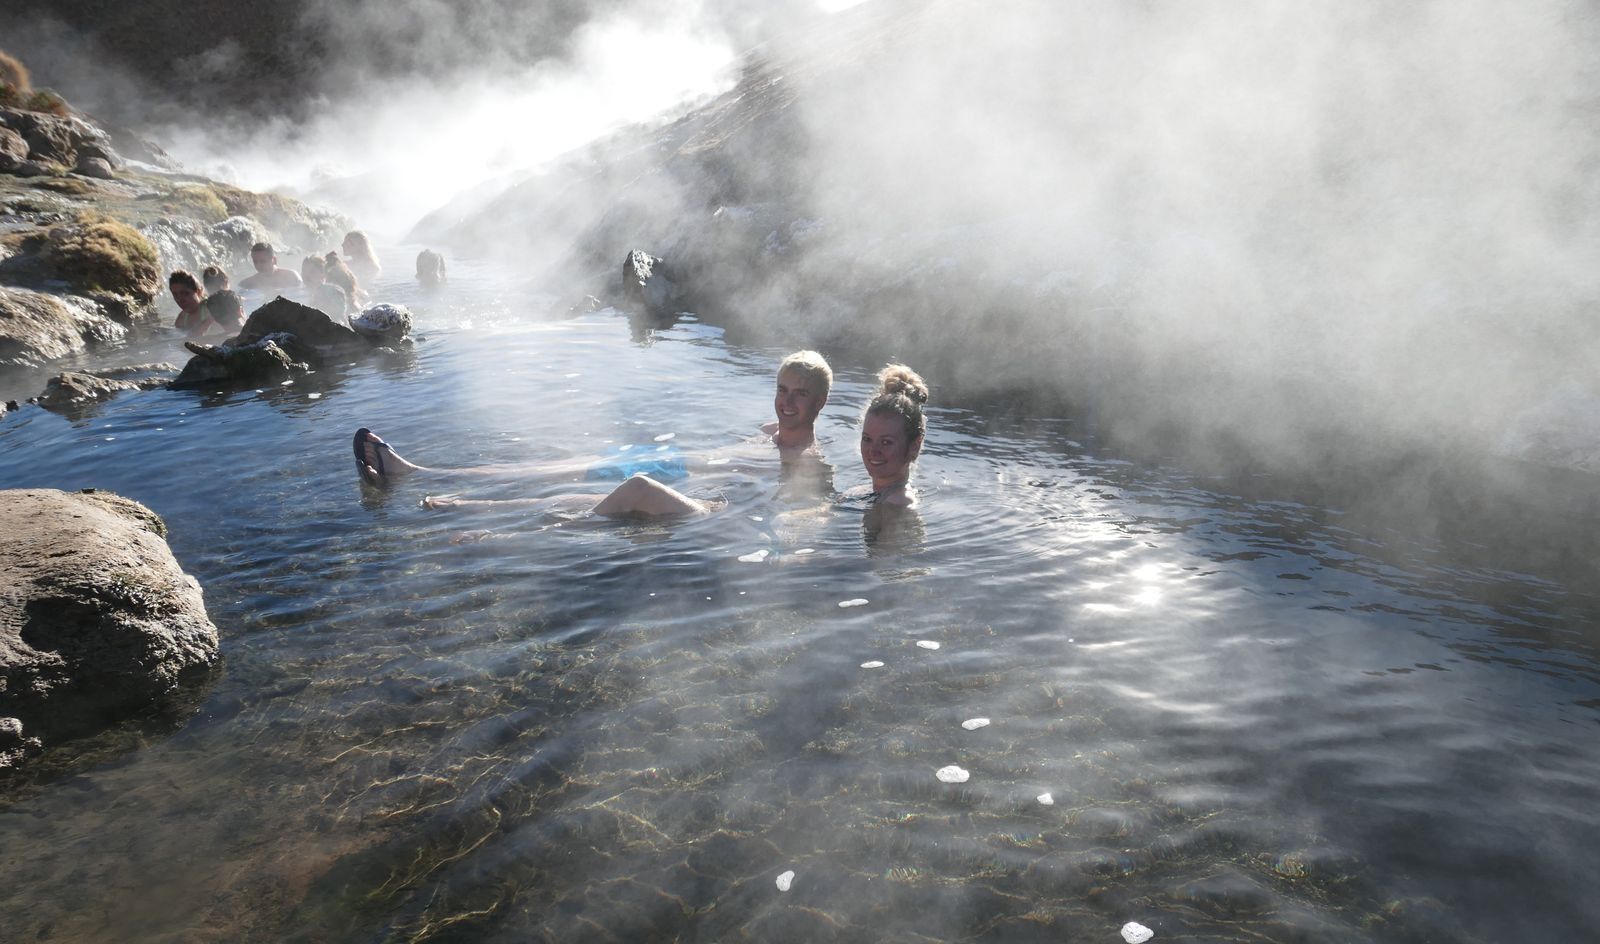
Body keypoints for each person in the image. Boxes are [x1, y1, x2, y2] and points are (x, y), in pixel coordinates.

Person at [851, 364, 928, 508]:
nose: (873, 451)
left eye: (886, 442)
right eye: (867, 439)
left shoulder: (900, 502)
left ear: (914, 446)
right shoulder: (862, 492)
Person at [238, 242, 302, 294]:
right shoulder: (247, 283)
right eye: (255, 261)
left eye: (263, 261)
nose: (258, 265)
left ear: (274, 260)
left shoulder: (291, 276)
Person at [168, 269, 211, 337]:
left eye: (185, 293)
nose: (179, 299)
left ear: (198, 292)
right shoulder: (181, 319)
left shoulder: (210, 308)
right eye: (175, 295)